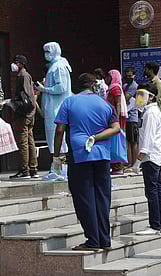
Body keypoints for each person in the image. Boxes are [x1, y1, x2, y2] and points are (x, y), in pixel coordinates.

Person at [53, 73, 120, 250]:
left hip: (79, 154)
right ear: (93, 86)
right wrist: (96, 137)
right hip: (103, 156)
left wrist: (55, 156)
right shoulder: (104, 104)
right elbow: (116, 128)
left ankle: (92, 240)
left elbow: (60, 130)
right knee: (102, 197)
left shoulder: (69, 102)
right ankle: (105, 240)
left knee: (84, 197)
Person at [131, 83, 161, 235]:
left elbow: (147, 140)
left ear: (150, 97)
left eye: (142, 95)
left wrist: (137, 161)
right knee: (157, 190)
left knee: (152, 191)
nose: (138, 98)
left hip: (151, 157)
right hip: (154, 156)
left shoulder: (150, 113)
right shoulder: (148, 111)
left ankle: (155, 225)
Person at [36, 42, 72, 179]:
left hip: (57, 107)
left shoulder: (58, 67)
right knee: (53, 138)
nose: (46, 55)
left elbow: (61, 87)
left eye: (48, 51)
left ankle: (61, 168)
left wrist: (44, 89)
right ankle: (57, 167)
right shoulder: (55, 66)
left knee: (58, 139)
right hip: (53, 107)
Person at [9, 55, 39, 179]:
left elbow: (26, 97)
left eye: (16, 62)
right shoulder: (23, 76)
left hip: (24, 114)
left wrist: (14, 102)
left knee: (23, 142)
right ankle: (33, 168)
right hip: (29, 113)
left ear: (21, 63)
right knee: (29, 141)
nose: (13, 65)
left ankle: (24, 169)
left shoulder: (23, 76)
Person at [105, 69, 128, 175]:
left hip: (115, 119)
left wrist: (116, 119)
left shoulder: (115, 88)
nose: (107, 78)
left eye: (109, 76)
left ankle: (117, 166)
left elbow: (118, 104)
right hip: (111, 117)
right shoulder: (111, 88)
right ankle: (114, 166)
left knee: (116, 142)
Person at [123, 67, 139, 169]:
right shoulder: (125, 85)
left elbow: (125, 98)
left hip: (132, 117)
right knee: (127, 142)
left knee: (133, 142)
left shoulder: (134, 86)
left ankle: (134, 163)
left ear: (134, 76)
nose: (128, 78)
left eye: (130, 76)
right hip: (126, 116)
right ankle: (129, 162)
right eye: (127, 76)